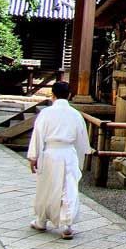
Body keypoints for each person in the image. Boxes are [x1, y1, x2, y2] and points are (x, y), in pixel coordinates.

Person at [26, 81, 92, 239]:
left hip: (50, 153)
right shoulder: (75, 114)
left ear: (52, 94)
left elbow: (38, 136)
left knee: (46, 187)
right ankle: (67, 224)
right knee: (68, 187)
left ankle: (41, 220)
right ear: (69, 95)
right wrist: (81, 157)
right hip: (68, 153)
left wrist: (33, 157)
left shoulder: (46, 113)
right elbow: (82, 139)